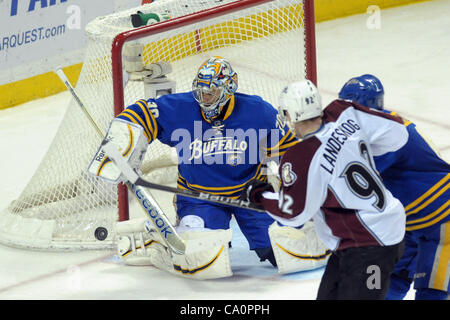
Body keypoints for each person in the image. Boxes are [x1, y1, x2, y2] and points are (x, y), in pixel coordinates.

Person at [90, 56, 329, 279]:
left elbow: (290, 151)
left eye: (211, 92)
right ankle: (156, 239)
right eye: (200, 91)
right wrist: (123, 141)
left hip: (250, 195)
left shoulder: (258, 112)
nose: (203, 98)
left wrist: (298, 184)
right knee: (205, 261)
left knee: (287, 252)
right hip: (197, 198)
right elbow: (142, 111)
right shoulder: (182, 108)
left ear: (228, 90)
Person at [241, 79, 407, 299]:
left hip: (373, 247)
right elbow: (398, 133)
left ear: (290, 113)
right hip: (358, 240)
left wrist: (260, 195)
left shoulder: (302, 156)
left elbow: (294, 212)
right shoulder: (343, 111)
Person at [339, 74, 450, 300]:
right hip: (411, 221)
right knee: (388, 279)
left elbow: (356, 179)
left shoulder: (389, 134)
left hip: (442, 222)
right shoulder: (373, 128)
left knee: (432, 290)